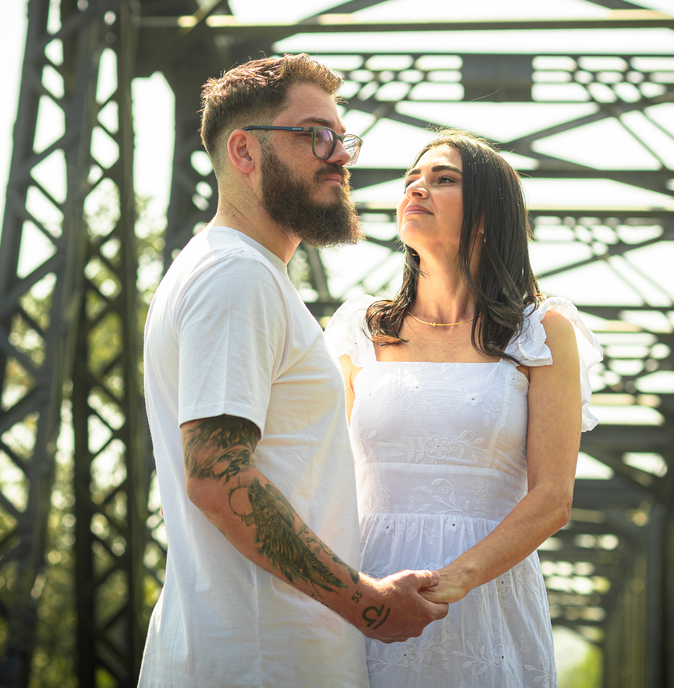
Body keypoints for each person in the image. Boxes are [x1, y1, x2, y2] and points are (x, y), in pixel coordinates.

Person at [138, 54, 448, 688]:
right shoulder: (237, 276)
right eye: (316, 136)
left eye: (343, 139)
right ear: (244, 152)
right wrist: (365, 601)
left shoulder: (234, 271)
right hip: (261, 660)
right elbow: (218, 476)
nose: (340, 157)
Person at [324, 131, 603, 687]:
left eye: (443, 179)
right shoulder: (360, 328)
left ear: (487, 217)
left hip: (485, 594)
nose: (415, 188)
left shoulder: (541, 332)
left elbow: (553, 498)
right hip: (370, 588)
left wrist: (455, 580)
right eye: (411, 179)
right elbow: (328, 475)